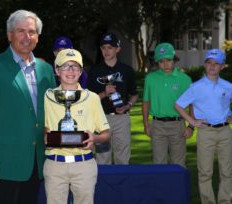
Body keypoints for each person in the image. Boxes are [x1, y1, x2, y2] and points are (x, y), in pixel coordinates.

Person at [0, 10, 56, 204]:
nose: (27, 37)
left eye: (32, 32)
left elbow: (53, 112)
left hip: (37, 161)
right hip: (5, 162)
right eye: (21, 31)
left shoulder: (46, 70)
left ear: (38, 36)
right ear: (10, 35)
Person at [44, 48, 110, 204]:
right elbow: (37, 127)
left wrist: (95, 138)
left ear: (81, 71)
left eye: (75, 66)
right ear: (57, 70)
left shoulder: (92, 98)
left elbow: (106, 133)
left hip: (84, 164)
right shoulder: (47, 97)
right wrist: (43, 133)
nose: (71, 70)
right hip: (55, 164)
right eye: (65, 66)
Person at [175, 49, 232, 204]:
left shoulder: (228, 86)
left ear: (222, 66)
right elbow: (178, 105)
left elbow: (224, 104)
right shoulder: (196, 87)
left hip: (226, 132)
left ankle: (225, 201)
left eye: (216, 63)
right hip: (206, 132)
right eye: (209, 63)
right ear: (205, 65)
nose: (212, 66)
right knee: (205, 172)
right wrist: (192, 122)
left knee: (227, 171)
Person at [87, 32, 138, 164]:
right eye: (103, 48)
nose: (106, 51)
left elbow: (134, 94)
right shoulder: (94, 71)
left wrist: (128, 106)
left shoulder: (127, 70)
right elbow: (89, 100)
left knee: (123, 157)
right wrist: (104, 93)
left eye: (110, 47)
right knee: (102, 158)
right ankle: (103, 185)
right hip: (101, 118)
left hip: (122, 119)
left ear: (118, 49)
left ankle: (122, 184)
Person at [142, 42, 193, 167]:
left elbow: (193, 105)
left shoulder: (184, 79)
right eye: (161, 61)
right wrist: (146, 124)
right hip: (157, 125)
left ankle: (177, 187)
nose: (165, 64)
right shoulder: (151, 78)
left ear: (174, 60)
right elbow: (146, 102)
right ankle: (160, 187)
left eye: (168, 60)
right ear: (157, 62)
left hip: (177, 125)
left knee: (178, 164)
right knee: (159, 163)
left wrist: (191, 127)